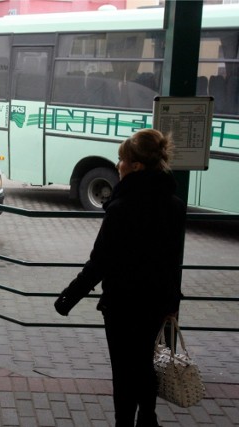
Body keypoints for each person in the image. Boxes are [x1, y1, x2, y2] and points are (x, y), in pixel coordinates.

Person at [54, 129, 187, 427]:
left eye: (121, 160)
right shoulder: (175, 206)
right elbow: (172, 262)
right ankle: (148, 419)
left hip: (124, 305)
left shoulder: (121, 208)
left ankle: (124, 423)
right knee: (147, 365)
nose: (118, 165)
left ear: (136, 165)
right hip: (158, 303)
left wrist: (68, 297)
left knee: (124, 371)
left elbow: (100, 261)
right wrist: (172, 302)